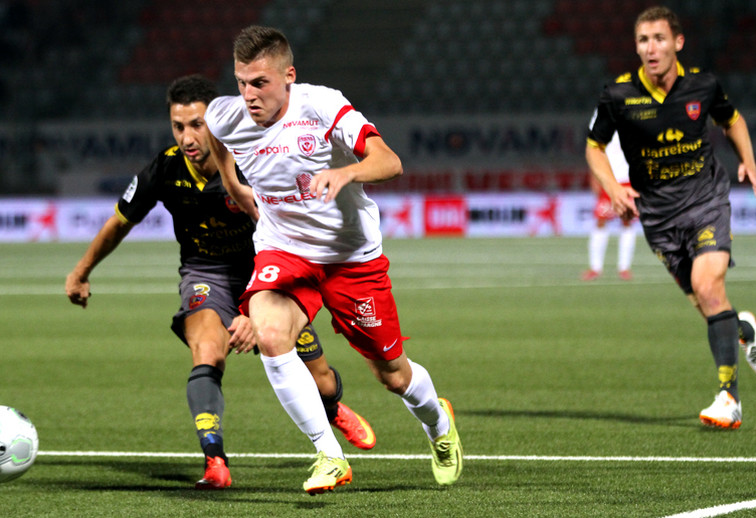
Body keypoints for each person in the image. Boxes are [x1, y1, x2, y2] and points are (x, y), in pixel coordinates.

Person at [65, 75, 376, 490]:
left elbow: (285, 235)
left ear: (218, 120)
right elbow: (119, 223)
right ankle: (215, 461)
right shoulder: (165, 168)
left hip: (264, 273)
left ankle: (333, 407)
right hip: (204, 273)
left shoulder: (251, 162)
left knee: (319, 377)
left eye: (197, 124)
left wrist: (251, 308)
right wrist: (82, 270)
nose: (188, 137)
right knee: (208, 352)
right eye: (179, 126)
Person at [205, 26, 461, 494]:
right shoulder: (224, 115)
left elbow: (390, 161)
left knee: (393, 375)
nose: (248, 94)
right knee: (269, 331)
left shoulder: (321, 105)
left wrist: (347, 171)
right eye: (241, 82)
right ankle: (329, 454)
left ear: (289, 76)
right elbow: (219, 140)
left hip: (350, 257)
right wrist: (235, 184)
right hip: (285, 248)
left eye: (260, 83)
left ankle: (437, 425)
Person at [585, 6, 756, 430]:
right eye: (642, 41)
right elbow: (593, 146)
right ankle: (742, 327)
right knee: (706, 303)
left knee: (708, 286)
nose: (650, 49)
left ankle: (729, 398)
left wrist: (748, 160)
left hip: (705, 200)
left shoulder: (703, 85)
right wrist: (613, 187)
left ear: (678, 42)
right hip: (657, 215)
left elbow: (733, 120)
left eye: (658, 39)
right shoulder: (617, 95)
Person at [582, 126, 638, 281]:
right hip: (608, 180)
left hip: (627, 181)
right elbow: (593, 153)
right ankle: (595, 268)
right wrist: (594, 176)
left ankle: (624, 268)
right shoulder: (601, 125)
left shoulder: (632, 124)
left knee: (627, 221)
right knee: (600, 221)